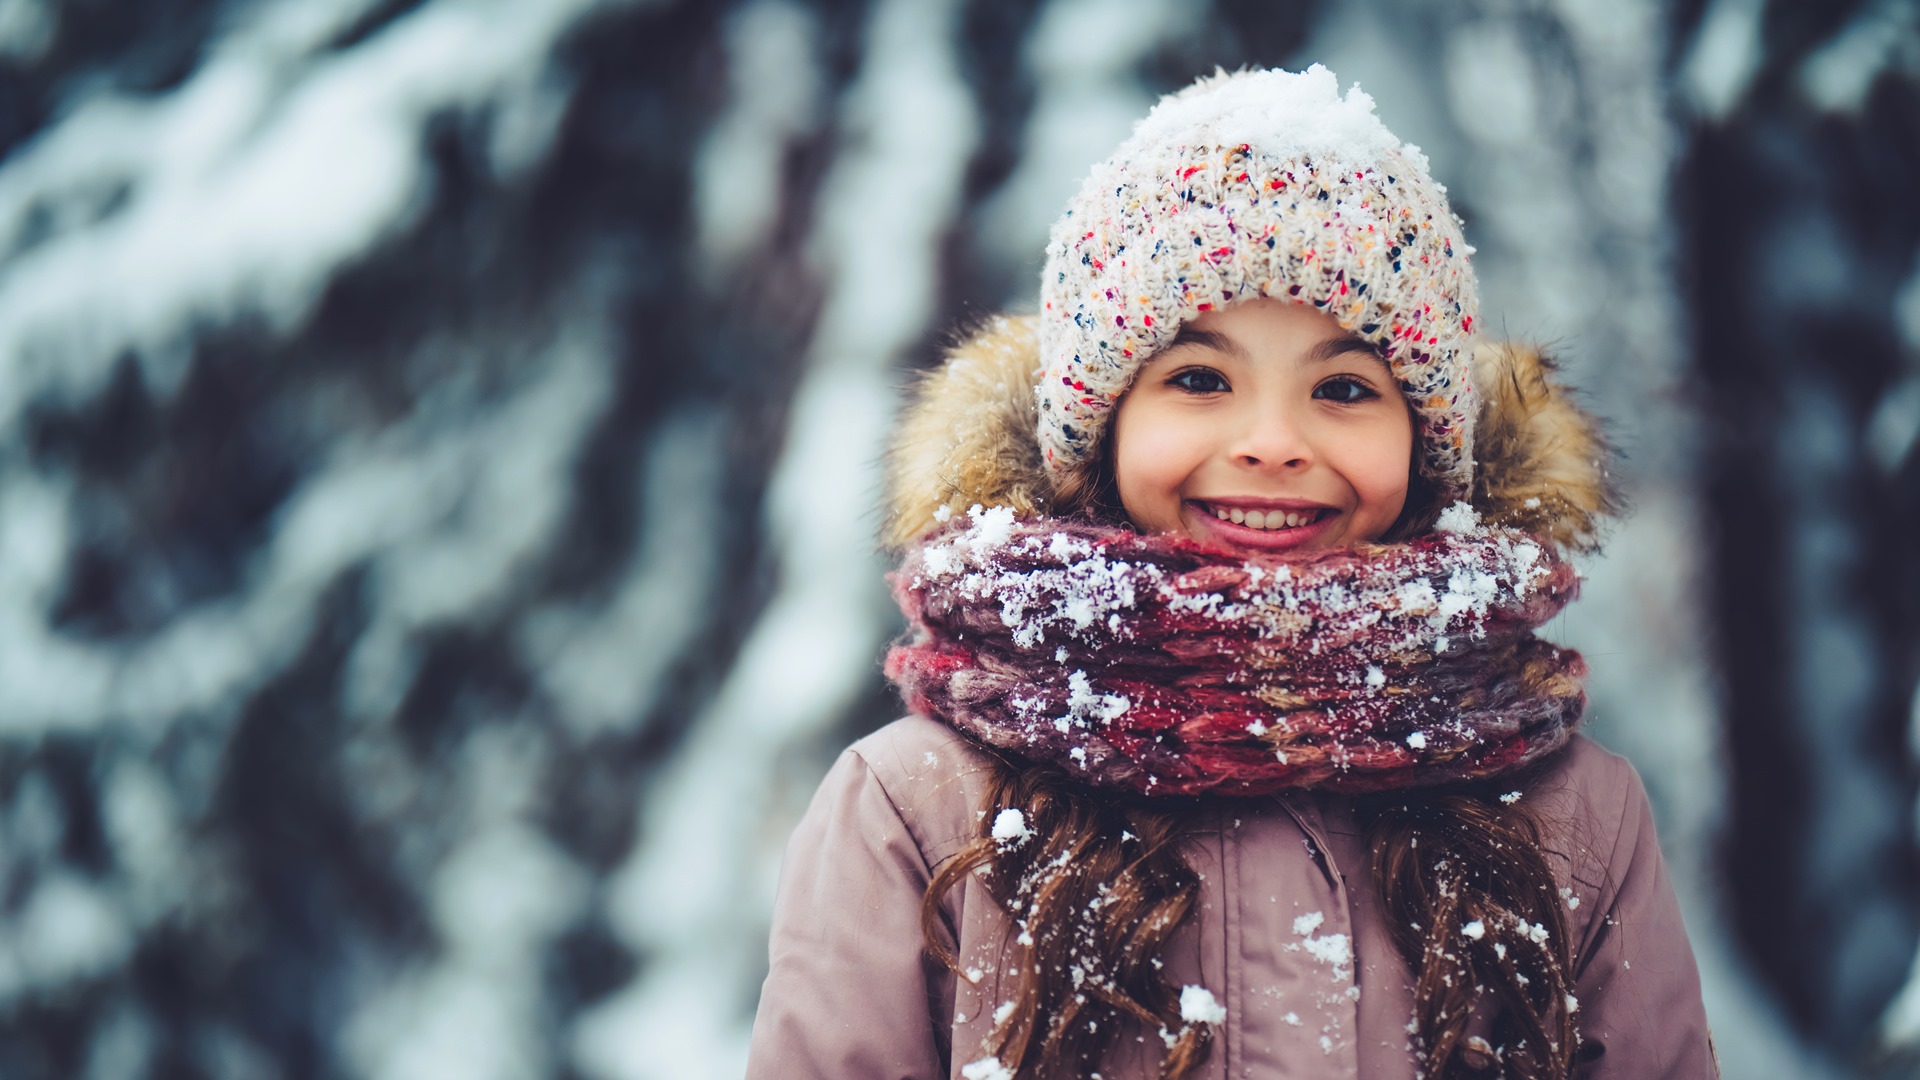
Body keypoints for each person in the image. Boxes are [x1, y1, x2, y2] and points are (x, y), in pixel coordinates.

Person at [746, 65, 1717, 1079]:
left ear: (1426, 443)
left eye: (1345, 388)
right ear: (1099, 429)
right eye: (1200, 378)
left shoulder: (1575, 818)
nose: (1272, 443)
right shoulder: (917, 810)